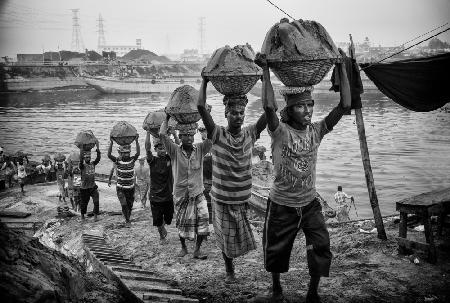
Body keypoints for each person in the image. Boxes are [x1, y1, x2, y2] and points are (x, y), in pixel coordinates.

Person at [251, 53, 351, 303]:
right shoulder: (280, 132)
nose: (307, 110)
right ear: (289, 109)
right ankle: (276, 291)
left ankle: (312, 293)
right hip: (282, 203)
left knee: (320, 245)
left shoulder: (317, 131)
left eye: (310, 105)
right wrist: (265, 71)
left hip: (309, 203)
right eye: (300, 106)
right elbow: (268, 107)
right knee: (275, 250)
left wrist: (341, 67)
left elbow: (345, 106)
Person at [197, 76, 267, 283]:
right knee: (226, 238)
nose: (238, 116)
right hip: (221, 197)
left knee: (239, 234)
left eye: (241, 113)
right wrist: (205, 80)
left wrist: (264, 80)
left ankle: (231, 267)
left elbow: (270, 110)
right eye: (234, 113)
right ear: (226, 114)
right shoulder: (217, 133)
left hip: (242, 198)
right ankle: (230, 271)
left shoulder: (251, 133)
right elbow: (201, 106)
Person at [160, 114, 211, 259]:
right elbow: (162, 135)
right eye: (186, 136)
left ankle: (197, 250)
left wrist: (206, 115)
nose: (189, 138)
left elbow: (212, 137)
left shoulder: (200, 149)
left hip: (198, 193)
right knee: (181, 223)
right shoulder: (175, 151)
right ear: (180, 137)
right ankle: (183, 247)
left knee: (204, 219)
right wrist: (167, 117)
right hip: (181, 194)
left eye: (191, 135)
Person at [145, 133, 174, 242]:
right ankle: (161, 235)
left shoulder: (170, 158)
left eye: (164, 148)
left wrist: (173, 134)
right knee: (157, 219)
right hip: (155, 195)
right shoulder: (152, 160)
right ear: (156, 149)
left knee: (168, 218)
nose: (162, 150)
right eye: (160, 148)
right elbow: (147, 148)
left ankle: (163, 226)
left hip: (168, 194)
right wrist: (148, 133)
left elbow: (177, 147)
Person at [107, 137, 140, 225]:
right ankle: (127, 220)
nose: (126, 154)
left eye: (127, 153)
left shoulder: (132, 160)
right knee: (124, 204)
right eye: (124, 153)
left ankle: (127, 217)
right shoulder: (118, 160)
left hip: (131, 187)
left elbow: (138, 153)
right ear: (121, 153)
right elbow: (109, 155)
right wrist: (111, 143)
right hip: (121, 188)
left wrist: (136, 141)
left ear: (129, 153)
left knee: (130, 205)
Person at [79, 142, 101, 221]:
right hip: (84, 188)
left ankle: (95, 216)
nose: (88, 158)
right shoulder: (82, 166)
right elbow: (80, 160)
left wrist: (98, 149)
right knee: (84, 203)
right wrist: (81, 149)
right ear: (85, 159)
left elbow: (98, 159)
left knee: (96, 201)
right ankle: (82, 216)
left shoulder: (93, 164)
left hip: (92, 186)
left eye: (89, 157)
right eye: (87, 157)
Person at [198, 125, 213, 224]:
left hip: (214, 182)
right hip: (203, 183)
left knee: (213, 206)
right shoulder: (199, 147)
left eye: (205, 131)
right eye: (201, 131)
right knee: (204, 207)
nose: (203, 133)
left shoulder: (216, 147)